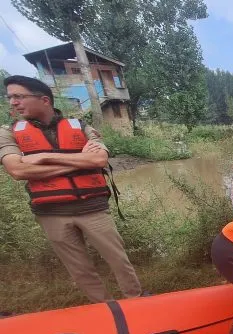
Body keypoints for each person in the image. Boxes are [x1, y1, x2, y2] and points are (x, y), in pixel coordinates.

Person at [0, 75, 142, 303]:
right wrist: (78, 161)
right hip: (52, 214)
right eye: (10, 97)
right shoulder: (8, 132)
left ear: (44, 100)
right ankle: (105, 308)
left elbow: (99, 160)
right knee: (80, 270)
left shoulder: (81, 126)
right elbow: (17, 170)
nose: (13, 102)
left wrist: (43, 157)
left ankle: (136, 300)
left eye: (19, 96)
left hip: (93, 207)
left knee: (118, 260)